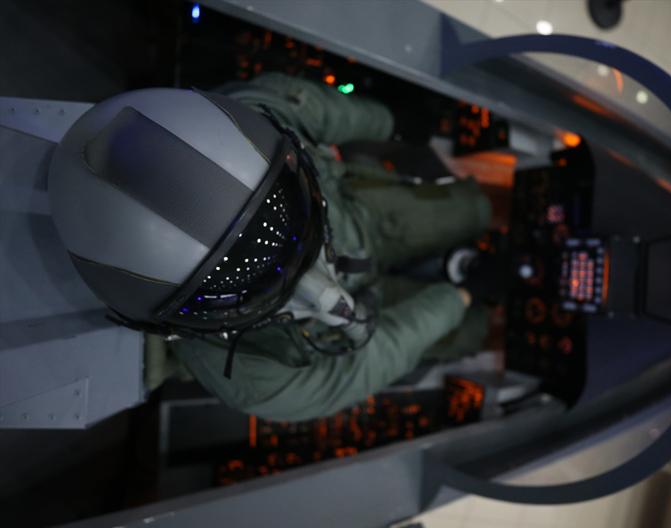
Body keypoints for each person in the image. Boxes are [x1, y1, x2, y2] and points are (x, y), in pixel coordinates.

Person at [48, 72, 494, 422]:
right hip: (326, 334)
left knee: (473, 209)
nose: (321, 289)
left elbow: (302, 104)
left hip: (353, 217)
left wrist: (389, 121)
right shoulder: (250, 380)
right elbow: (368, 365)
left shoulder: (254, 124)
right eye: (246, 279)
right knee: (467, 329)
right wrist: (459, 298)